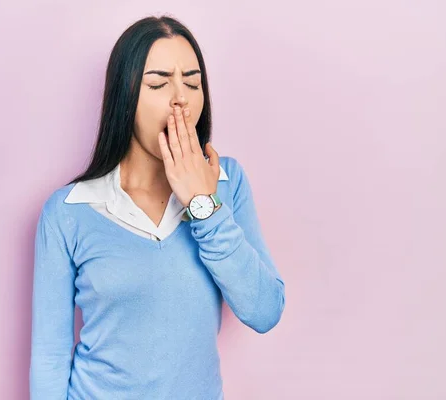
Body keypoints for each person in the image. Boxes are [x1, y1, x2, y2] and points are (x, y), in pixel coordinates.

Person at [29, 14, 286, 400]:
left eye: (192, 82)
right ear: (125, 95)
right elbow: (49, 356)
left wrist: (204, 204)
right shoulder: (68, 212)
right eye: (158, 83)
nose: (180, 97)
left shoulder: (226, 183)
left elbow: (264, 311)